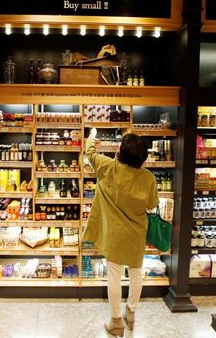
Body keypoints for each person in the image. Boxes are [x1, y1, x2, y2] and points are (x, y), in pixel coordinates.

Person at [82, 128, 159, 337]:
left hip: (114, 234)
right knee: (136, 273)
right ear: (143, 157)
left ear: (120, 152)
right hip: (136, 234)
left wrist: (92, 135)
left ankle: (116, 321)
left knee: (114, 276)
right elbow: (152, 204)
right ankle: (131, 312)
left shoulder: (108, 167)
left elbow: (89, 153)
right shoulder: (149, 178)